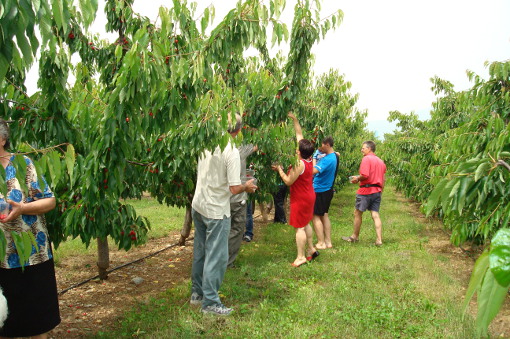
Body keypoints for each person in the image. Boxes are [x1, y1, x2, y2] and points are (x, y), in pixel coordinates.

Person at [190, 114, 257, 316]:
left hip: (199, 204)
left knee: (200, 251)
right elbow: (235, 188)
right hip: (216, 210)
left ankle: (197, 294)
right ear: (237, 131)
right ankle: (210, 302)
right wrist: (247, 185)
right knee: (217, 256)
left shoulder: (207, 142)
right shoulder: (231, 151)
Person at [0, 119, 60, 338]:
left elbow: (50, 201)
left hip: (33, 254)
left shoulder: (24, 165)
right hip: (1, 257)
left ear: (3, 139)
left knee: (37, 322)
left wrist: (23, 208)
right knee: (5, 323)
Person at [272, 112, 318, 267]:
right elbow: (299, 134)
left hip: (300, 198)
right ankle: (311, 249)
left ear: (299, 151)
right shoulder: (309, 158)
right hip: (309, 195)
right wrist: (295, 119)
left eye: (297, 149)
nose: (296, 149)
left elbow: (288, 181)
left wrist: (279, 169)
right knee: (306, 223)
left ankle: (300, 257)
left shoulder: (299, 164)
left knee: (299, 227)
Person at [342, 140, 386, 246]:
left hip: (366, 190)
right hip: (377, 190)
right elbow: (383, 179)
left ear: (369, 149)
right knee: (375, 214)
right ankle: (379, 239)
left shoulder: (366, 159)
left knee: (357, 213)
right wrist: (381, 192)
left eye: (363, 148)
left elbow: (365, 175)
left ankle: (354, 236)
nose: (361, 150)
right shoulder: (381, 161)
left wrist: (357, 178)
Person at [228, 144, 257, 266]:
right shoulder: (238, 150)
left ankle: (217, 258)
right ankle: (228, 261)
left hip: (221, 198)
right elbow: (257, 145)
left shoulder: (216, 147)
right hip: (237, 197)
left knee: (224, 228)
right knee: (236, 229)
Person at [312, 136, 339, 249]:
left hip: (320, 190)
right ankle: (328, 242)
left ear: (327, 144)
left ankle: (321, 242)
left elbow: (313, 171)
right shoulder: (335, 156)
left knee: (315, 216)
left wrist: (314, 158)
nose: (321, 147)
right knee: (324, 215)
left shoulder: (328, 159)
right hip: (327, 189)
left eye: (322, 145)